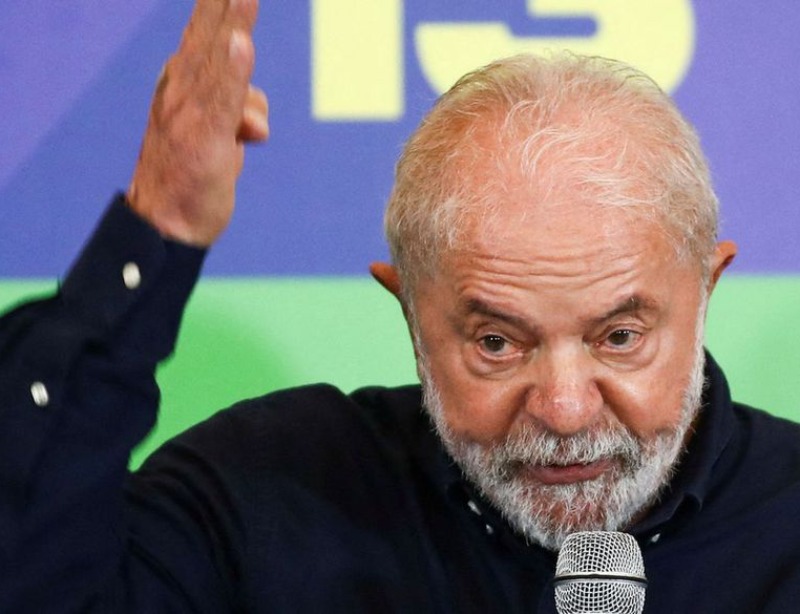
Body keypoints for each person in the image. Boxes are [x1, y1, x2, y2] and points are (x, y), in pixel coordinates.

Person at [1, 0, 799, 612]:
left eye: (619, 336)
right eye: (497, 343)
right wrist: (158, 232)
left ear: (706, 290)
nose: (563, 410)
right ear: (410, 313)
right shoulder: (272, 493)